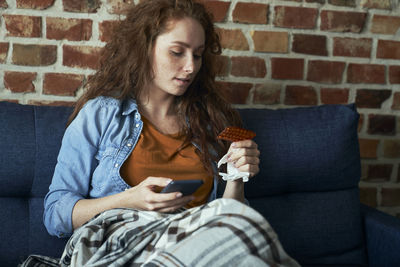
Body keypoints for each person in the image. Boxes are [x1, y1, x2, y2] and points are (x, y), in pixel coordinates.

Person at [40, 0, 299, 266]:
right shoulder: (101, 115)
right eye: (177, 52)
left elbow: (229, 221)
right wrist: (129, 200)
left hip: (198, 243)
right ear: (144, 50)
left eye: (197, 55)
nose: (190, 67)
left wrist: (235, 179)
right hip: (120, 240)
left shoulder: (209, 124)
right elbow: (55, 215)